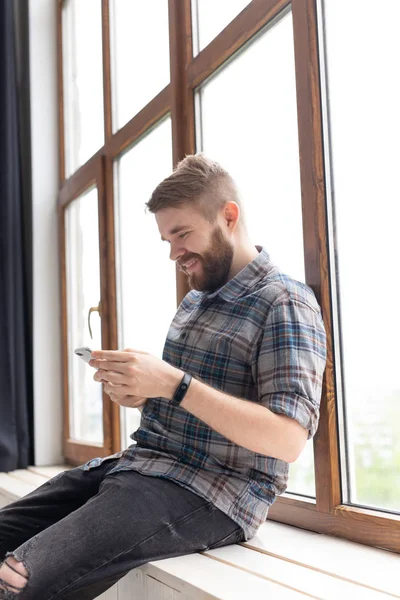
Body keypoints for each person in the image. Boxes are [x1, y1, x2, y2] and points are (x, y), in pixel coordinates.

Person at [0, 155, 327, 599]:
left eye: (182, 234)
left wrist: (174, 384)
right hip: (140, 467)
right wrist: (141, 391)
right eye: (166, 239)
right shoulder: (195, 303)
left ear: (228, 216)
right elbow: (187, 405)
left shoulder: (284, 302)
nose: (174, 252)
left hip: (213, 493)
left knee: (20, 577)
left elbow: (288, 439)